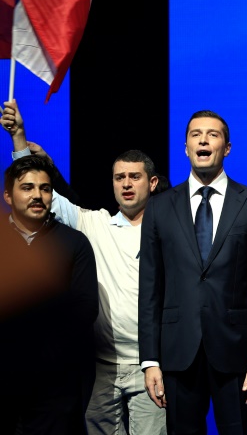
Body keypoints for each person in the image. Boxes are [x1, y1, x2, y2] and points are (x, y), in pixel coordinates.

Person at [2, 99, 168, 435]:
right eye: (119, 176)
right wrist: (19, 138)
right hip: (101, 368)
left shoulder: (171, 233)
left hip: (151, 366)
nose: (125, 183)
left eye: (134, 177)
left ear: (151, 183)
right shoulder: (95, 224)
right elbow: (37, 192)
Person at [138, 110, 247, 434]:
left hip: (237, 353)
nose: (203, 139)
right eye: (195, 134)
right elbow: (150, 287)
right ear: (186, 147)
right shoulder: (159, 207)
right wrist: (150, 360)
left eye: (212, 134)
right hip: (177, 352)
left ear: (226, 147)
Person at [0, 155, 99, 434]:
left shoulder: (74, 242)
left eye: (45, 189)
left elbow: (85, 307)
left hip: (55, 384)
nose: (38, 195)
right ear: (8, 195)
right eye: (27, 188)